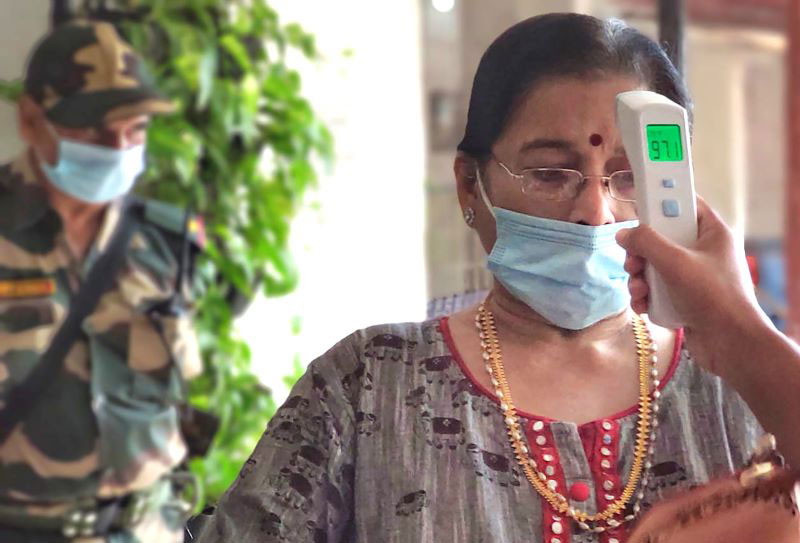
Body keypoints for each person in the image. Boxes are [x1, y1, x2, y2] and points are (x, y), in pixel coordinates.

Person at [194, 14, 798, 543]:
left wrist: (742, 333)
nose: (595, 211)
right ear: (469, 186)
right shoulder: (367, 384)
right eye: (551, 173)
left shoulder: (744, 383)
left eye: (628, 177)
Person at [0, 20, 205, 542]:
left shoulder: (167, 242)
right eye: (92, 130)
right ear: (31, 120)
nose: (117, 147)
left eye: (135, 129)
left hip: (149, 528)